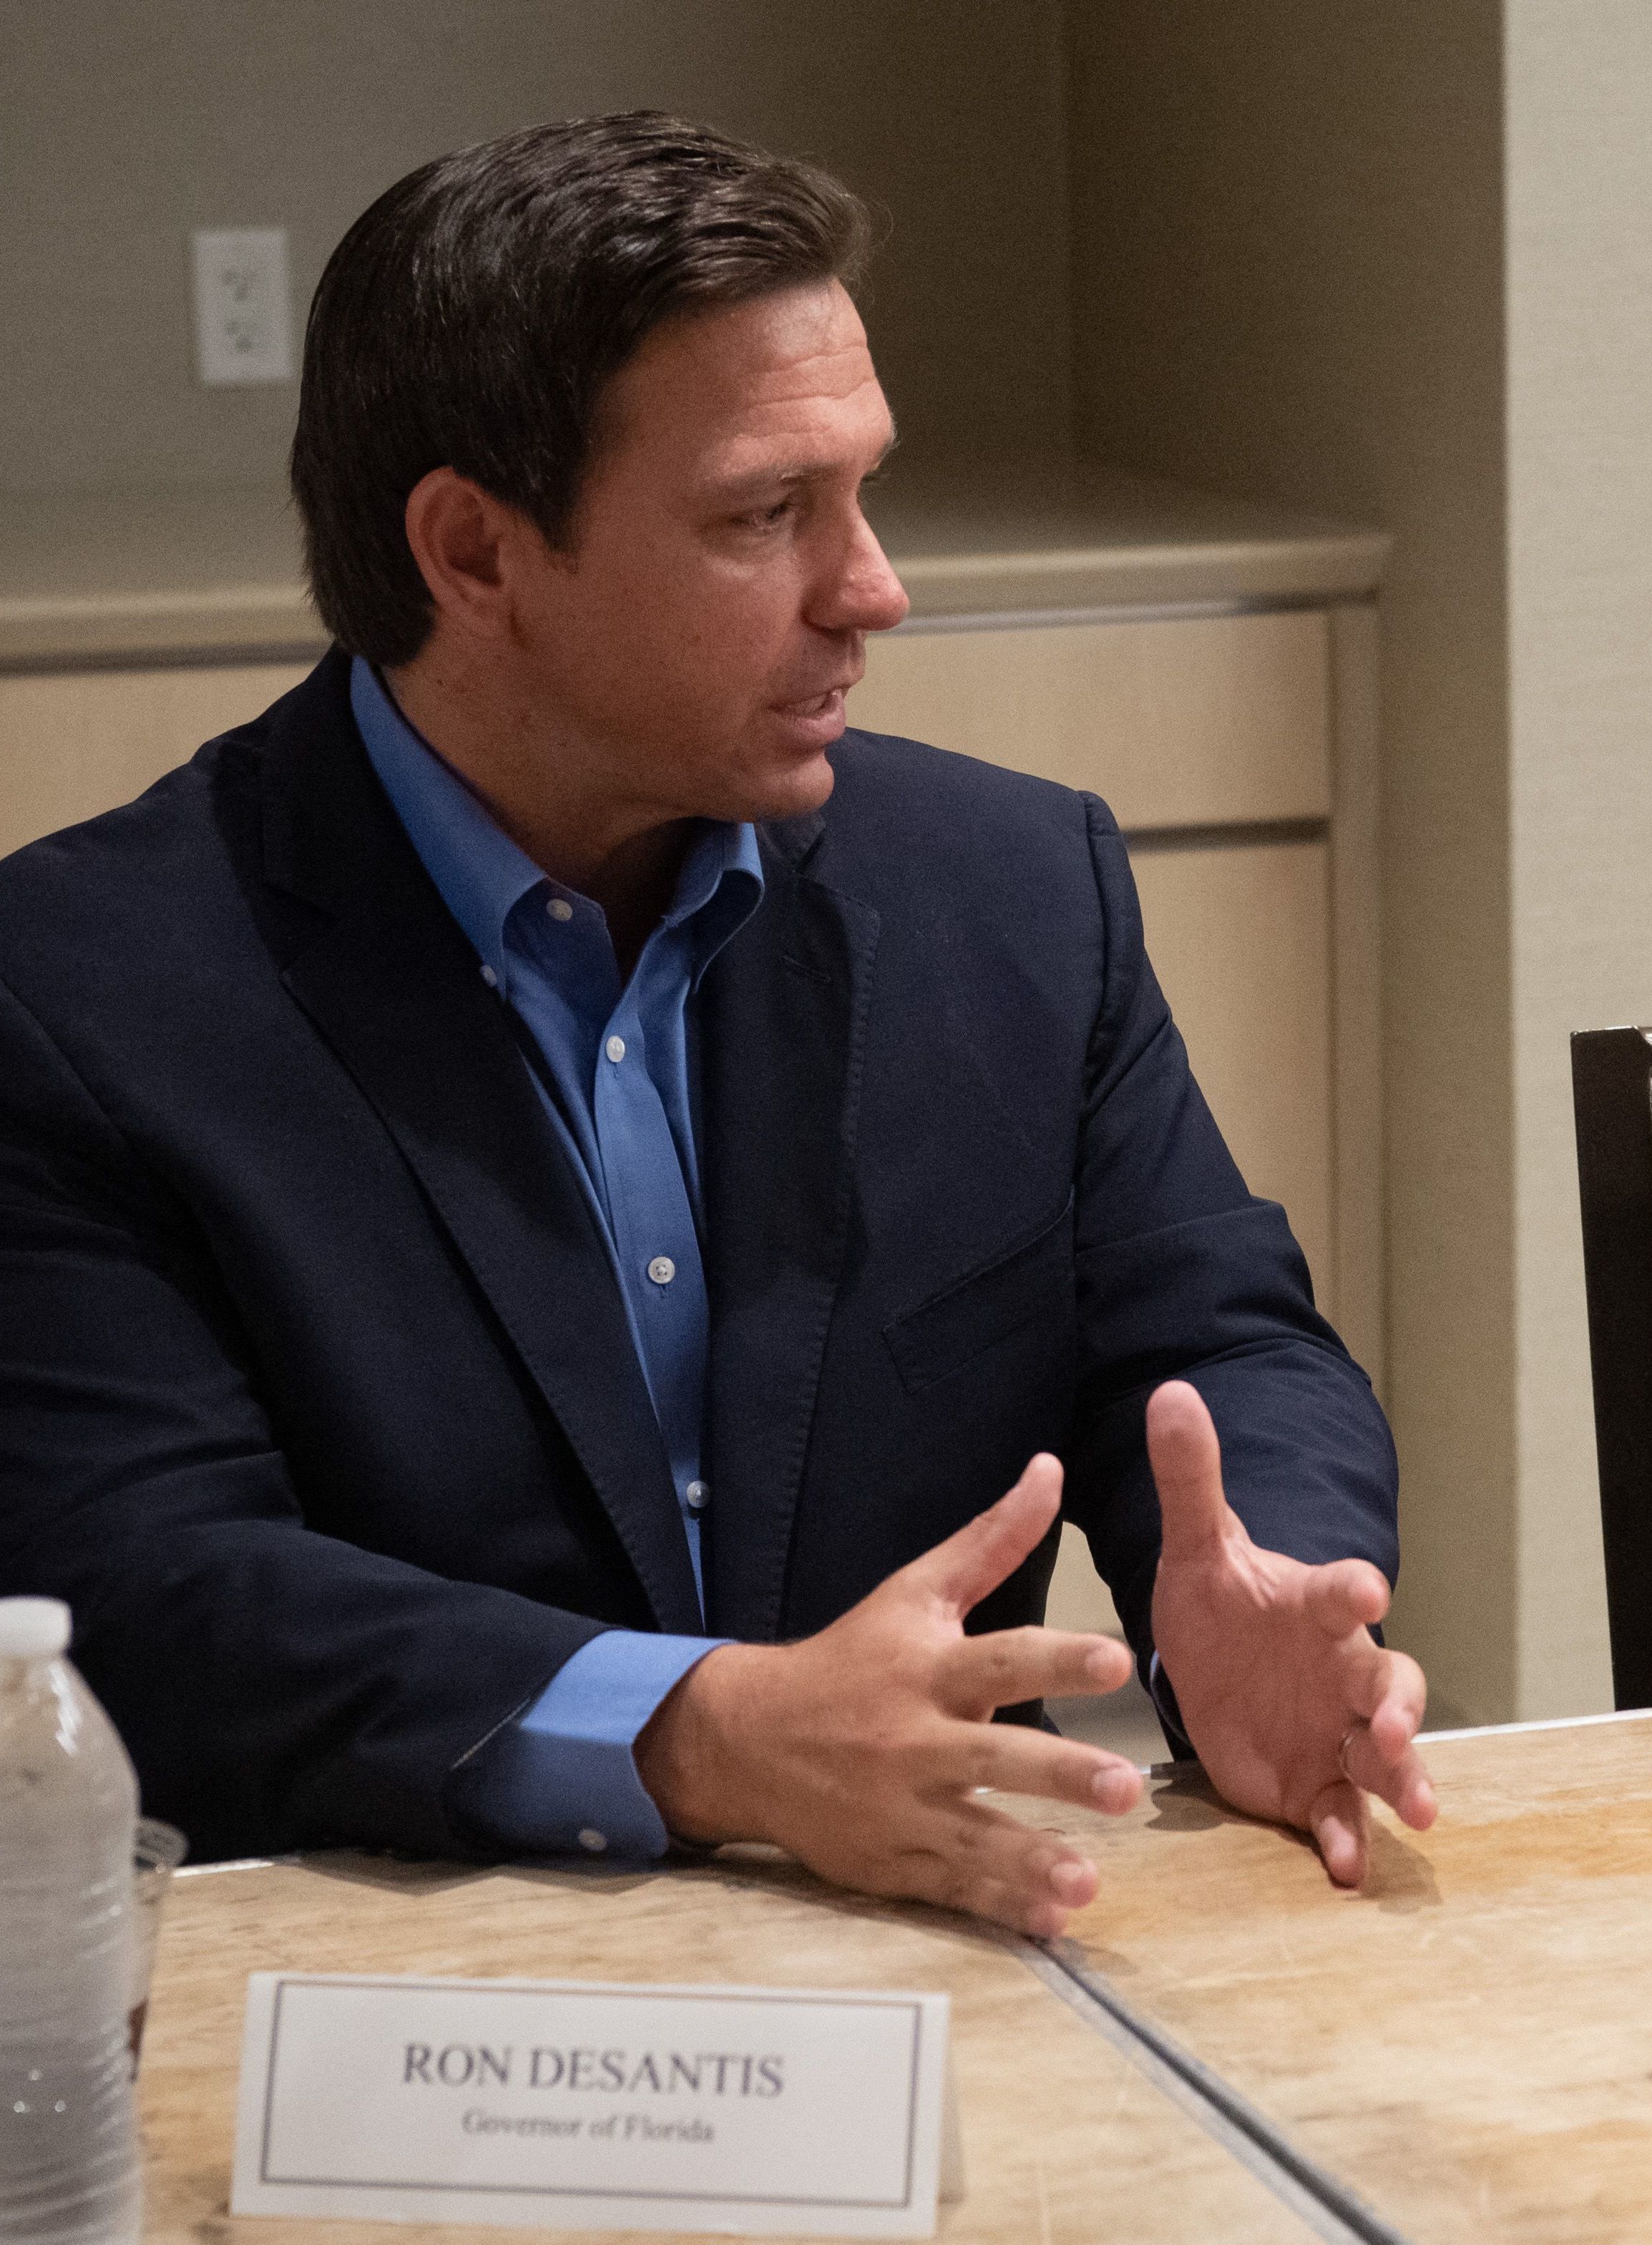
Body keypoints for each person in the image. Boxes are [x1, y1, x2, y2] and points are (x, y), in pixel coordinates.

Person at [0, 114, 1432, 1934]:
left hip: (951, 1953)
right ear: (473, 552)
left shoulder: (1010, 887)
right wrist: (701, 1734)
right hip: (410, 2002)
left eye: (864, 489)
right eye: (768, 513)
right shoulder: (79, 990)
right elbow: (151, 1592)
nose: (873, 587)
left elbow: (1219, 1337)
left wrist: (1258, 1585)